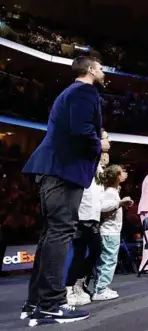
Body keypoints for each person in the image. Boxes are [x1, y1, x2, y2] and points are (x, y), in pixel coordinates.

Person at [21, 56, 107, 326]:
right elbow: (81, 130)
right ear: (91, 70)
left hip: (55, 170)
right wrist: (100, 144)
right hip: (64, 170)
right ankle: (51, 304)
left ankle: (36, 302)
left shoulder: (69, 93)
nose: (103, 72)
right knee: (59, 233)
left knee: (51, 235)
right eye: (101, 68)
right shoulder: (85, 91)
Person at [65, 142, 109, 307]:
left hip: (93, 217)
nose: (108, 143)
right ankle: (70, 288)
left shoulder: (99, 171)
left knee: (95, 250)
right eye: (105, 139)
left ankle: (78, 283)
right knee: (78, 254)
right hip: (81, 216)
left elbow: (98, 199)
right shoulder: (85, 166)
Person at [92, 165, 133, 301]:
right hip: (109, 232)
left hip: (111, 231)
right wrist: (120, 203)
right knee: (108, 260)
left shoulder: (113, 191)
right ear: (116, 176)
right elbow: (102, 207)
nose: (125, 173)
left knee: (107, 260)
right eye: (123, 172)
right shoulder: (109, 191)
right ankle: (101, 289)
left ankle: (101, 287)